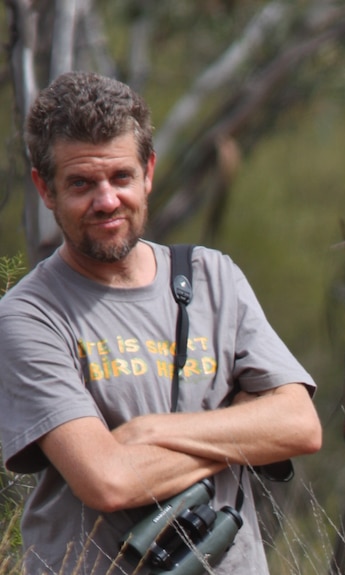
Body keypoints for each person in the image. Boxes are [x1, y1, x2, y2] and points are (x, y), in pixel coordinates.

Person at [0, 71, 322, 574]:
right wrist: (244, 432)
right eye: (81, 183)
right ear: (45, 188)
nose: (106, 200)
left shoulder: (211, 275)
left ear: (148, 171)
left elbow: (300, 425)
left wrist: (150, 432)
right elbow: (108, 481)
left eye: (121, 177)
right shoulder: (30, 315)